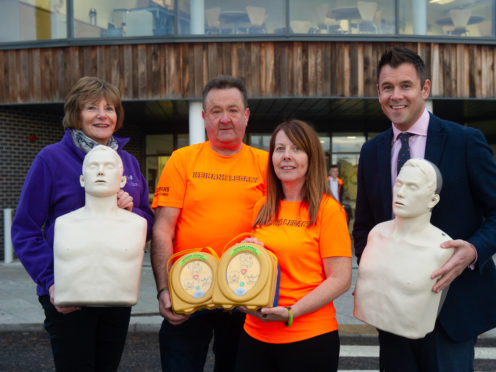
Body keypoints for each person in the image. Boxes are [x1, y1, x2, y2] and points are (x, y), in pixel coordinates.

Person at [352, 46, 496, 371]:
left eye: (405, 86)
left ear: (425, 89)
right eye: (387, 87)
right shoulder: (371, 152)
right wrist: (377, 269)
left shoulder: (465, 141)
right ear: (378, 92)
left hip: (452, 309)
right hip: (393, 310)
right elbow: (364, 226)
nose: (395, 95)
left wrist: (472, 250)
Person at [11, 76, 153, 371]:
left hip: (116, 290)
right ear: (76, 114)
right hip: (68, 294)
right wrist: (52, 281)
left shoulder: (128, 162)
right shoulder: (51, 159)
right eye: (92, 108)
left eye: (110, 108)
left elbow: (147, 220)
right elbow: (24, 229)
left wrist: (132, 213)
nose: (103, 115)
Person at [150, 75, 268, 372]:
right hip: (188, 290)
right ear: (204, 117)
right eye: (216, 111)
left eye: (233, 110)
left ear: (246, 116)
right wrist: (163, 289)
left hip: (245, 291)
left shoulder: (267, 164)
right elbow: (163, 228)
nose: (225, 119)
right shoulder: (181, 160)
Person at [236, 119, 352, 372]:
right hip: (254, 333)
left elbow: (341, 278)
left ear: (311, 158)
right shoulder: (262, 206)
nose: (286, 156)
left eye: (296, 149)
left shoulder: (328, 210)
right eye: (280, 149)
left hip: (308, 337)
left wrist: (291, 311)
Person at [353, 159, 453, 340]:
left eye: (412, 187)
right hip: (376, 323)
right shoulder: (376, 233)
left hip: (415, 329)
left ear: (432, 200)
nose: (400, 193)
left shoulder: (441, 248)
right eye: (398, 184)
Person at [54, 145, 147, 306]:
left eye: (109, 167)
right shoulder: (64, 224)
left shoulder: (137, 224)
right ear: (82, 180)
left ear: (123, 180)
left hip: (120, 303)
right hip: (70, 305)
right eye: (93, 166)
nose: (101, 172)